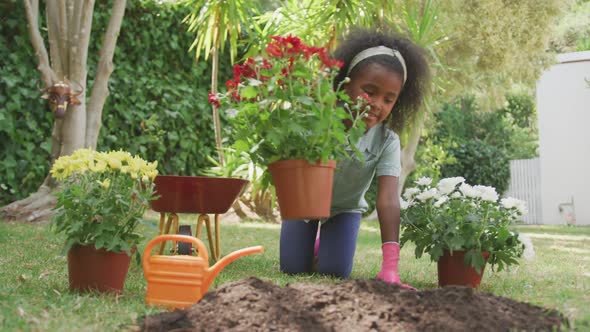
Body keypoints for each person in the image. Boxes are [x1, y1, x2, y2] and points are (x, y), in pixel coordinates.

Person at [279, 28, 431, 289]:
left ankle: (325, 244)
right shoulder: (319, 119)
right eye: (369, 92)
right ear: (346, 82)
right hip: (304, 207)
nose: (377, 104)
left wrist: (390, 266)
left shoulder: (387, 140)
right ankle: (315, 241)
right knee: (292, 268)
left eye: (388, 99)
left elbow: (388, 199)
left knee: (334, 272)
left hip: (345, 209)